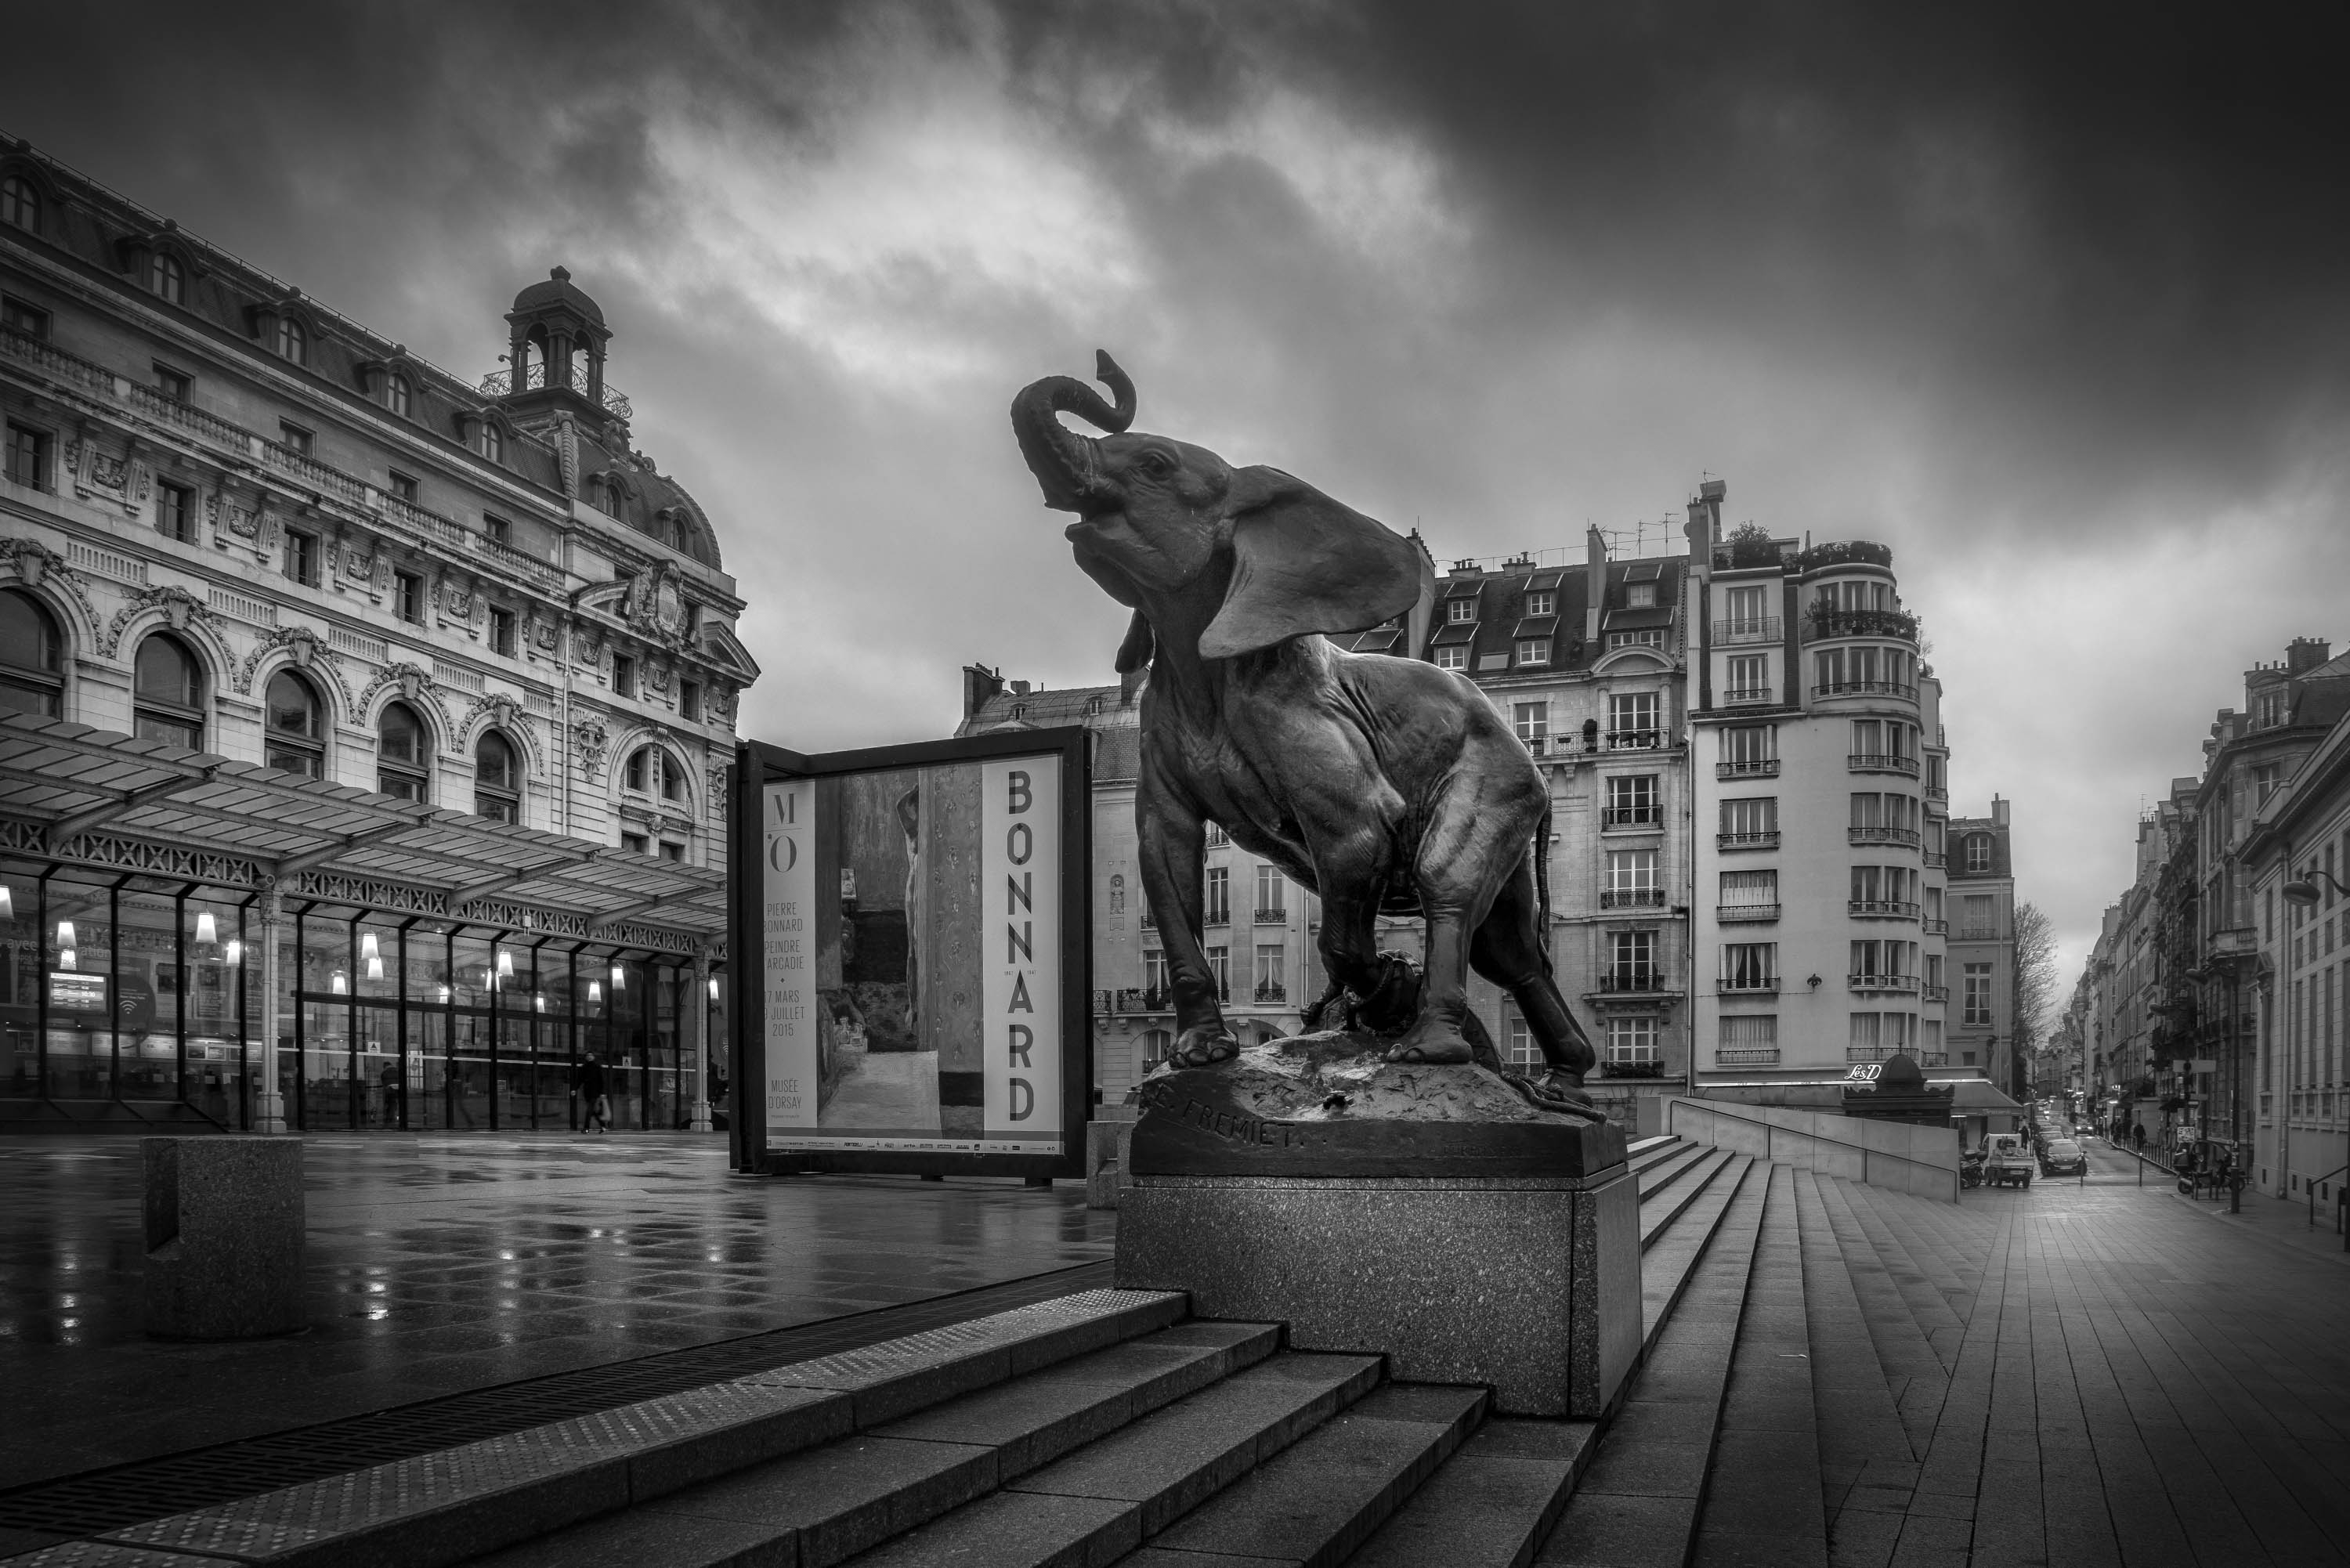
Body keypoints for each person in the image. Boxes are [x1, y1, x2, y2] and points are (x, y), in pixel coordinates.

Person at [574, 1052, 610, 1134]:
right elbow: (579, 1080)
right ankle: (603, 1126)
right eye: (588, 1056)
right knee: (592, 1111)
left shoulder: (597, 1067)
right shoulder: (584, 1067)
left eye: (591, 1055)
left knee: (589, 1110)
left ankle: (586, 1128)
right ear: (586, 1057)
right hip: (587, 1092)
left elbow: (602, 1081)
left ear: (594, 1057)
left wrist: (602, 1092)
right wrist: (575, 1089)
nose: (589, 1057)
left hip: (595, 1092)